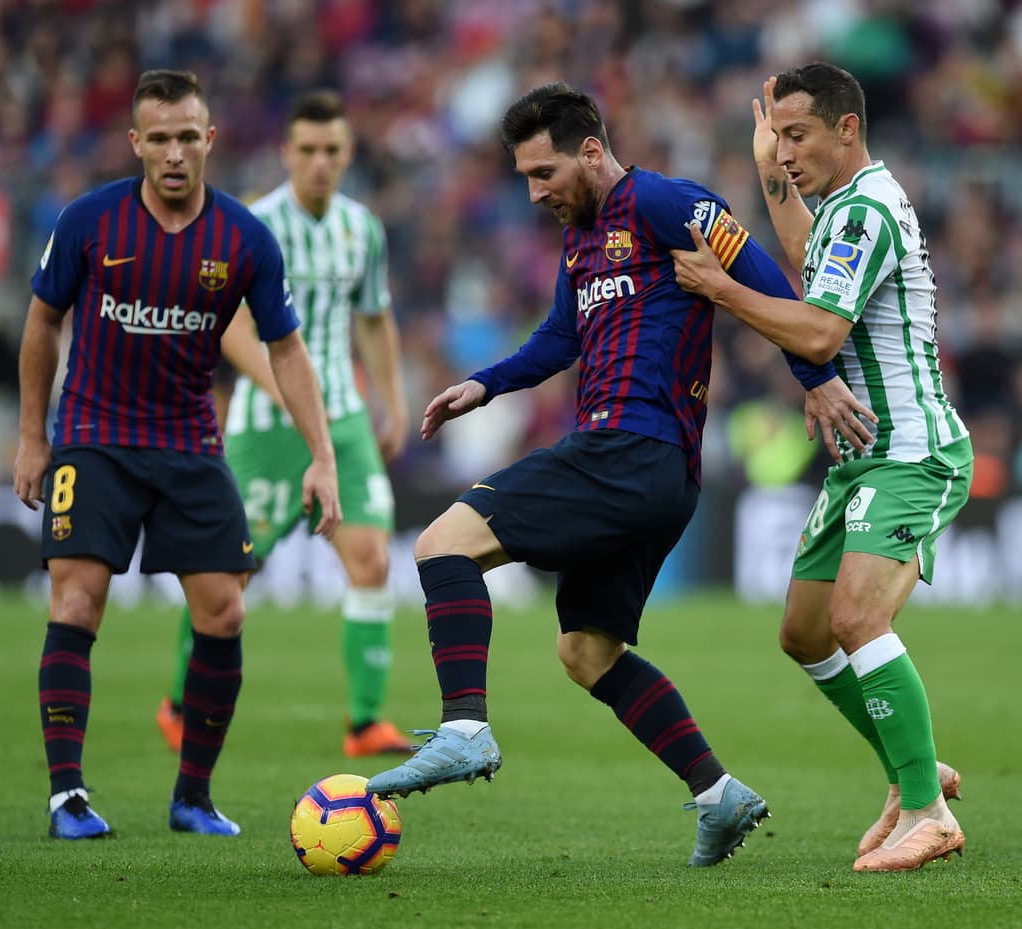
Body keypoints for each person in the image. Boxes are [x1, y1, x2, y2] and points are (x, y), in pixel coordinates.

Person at [364, 81, 874, 867]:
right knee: (586, 653)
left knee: (441, 546)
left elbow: (768, 282)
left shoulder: (669, 203)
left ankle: (464, 726)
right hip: (653, 476)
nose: (535, 193)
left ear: (592, 151)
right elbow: (559, 338)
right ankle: (718, 793)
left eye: (544, 174)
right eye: (525, 178)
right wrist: (486, 383)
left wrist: (816, 378)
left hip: (628, 452)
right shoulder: (580, 238)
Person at [14, 69, 342, 840]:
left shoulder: (243, 240)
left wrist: (321, 454)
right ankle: (68, 795)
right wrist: (34, 433)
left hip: (190, 443)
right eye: (157, 137)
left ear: (209, 141)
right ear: (135, 143)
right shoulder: (89, 221)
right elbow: (40, 324)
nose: (172, 152)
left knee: (224, 611)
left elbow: (287, 351)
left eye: (186, 136)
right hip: (94, 438)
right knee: (77, 601)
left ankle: (192, 796)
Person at [672, 62, 972, 872]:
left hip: (912, 449)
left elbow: (816, 333)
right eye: (781, 134)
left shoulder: (868, 206)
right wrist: (768, 165)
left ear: (847, 128)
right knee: (804, 633)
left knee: (855, 621)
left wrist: (718, 286)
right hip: (861, 460)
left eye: (798, 135)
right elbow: (810, 257)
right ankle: (915, 769)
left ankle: (926, 808)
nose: (788, 149)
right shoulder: (846, 205)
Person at [155, 89, 411, 759]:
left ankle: (364, 722)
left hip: (347, 421)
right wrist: (289, 393)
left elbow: (376, 316)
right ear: (287, 153)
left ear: (348, 153)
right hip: (266, 424)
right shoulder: (251, 226)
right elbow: (232, 327)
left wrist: (393, 397)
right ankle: (181, 703)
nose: (320, 163)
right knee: (228, 574)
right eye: (308, 150)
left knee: (371, 557)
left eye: (332, 150)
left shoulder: (364, 229)